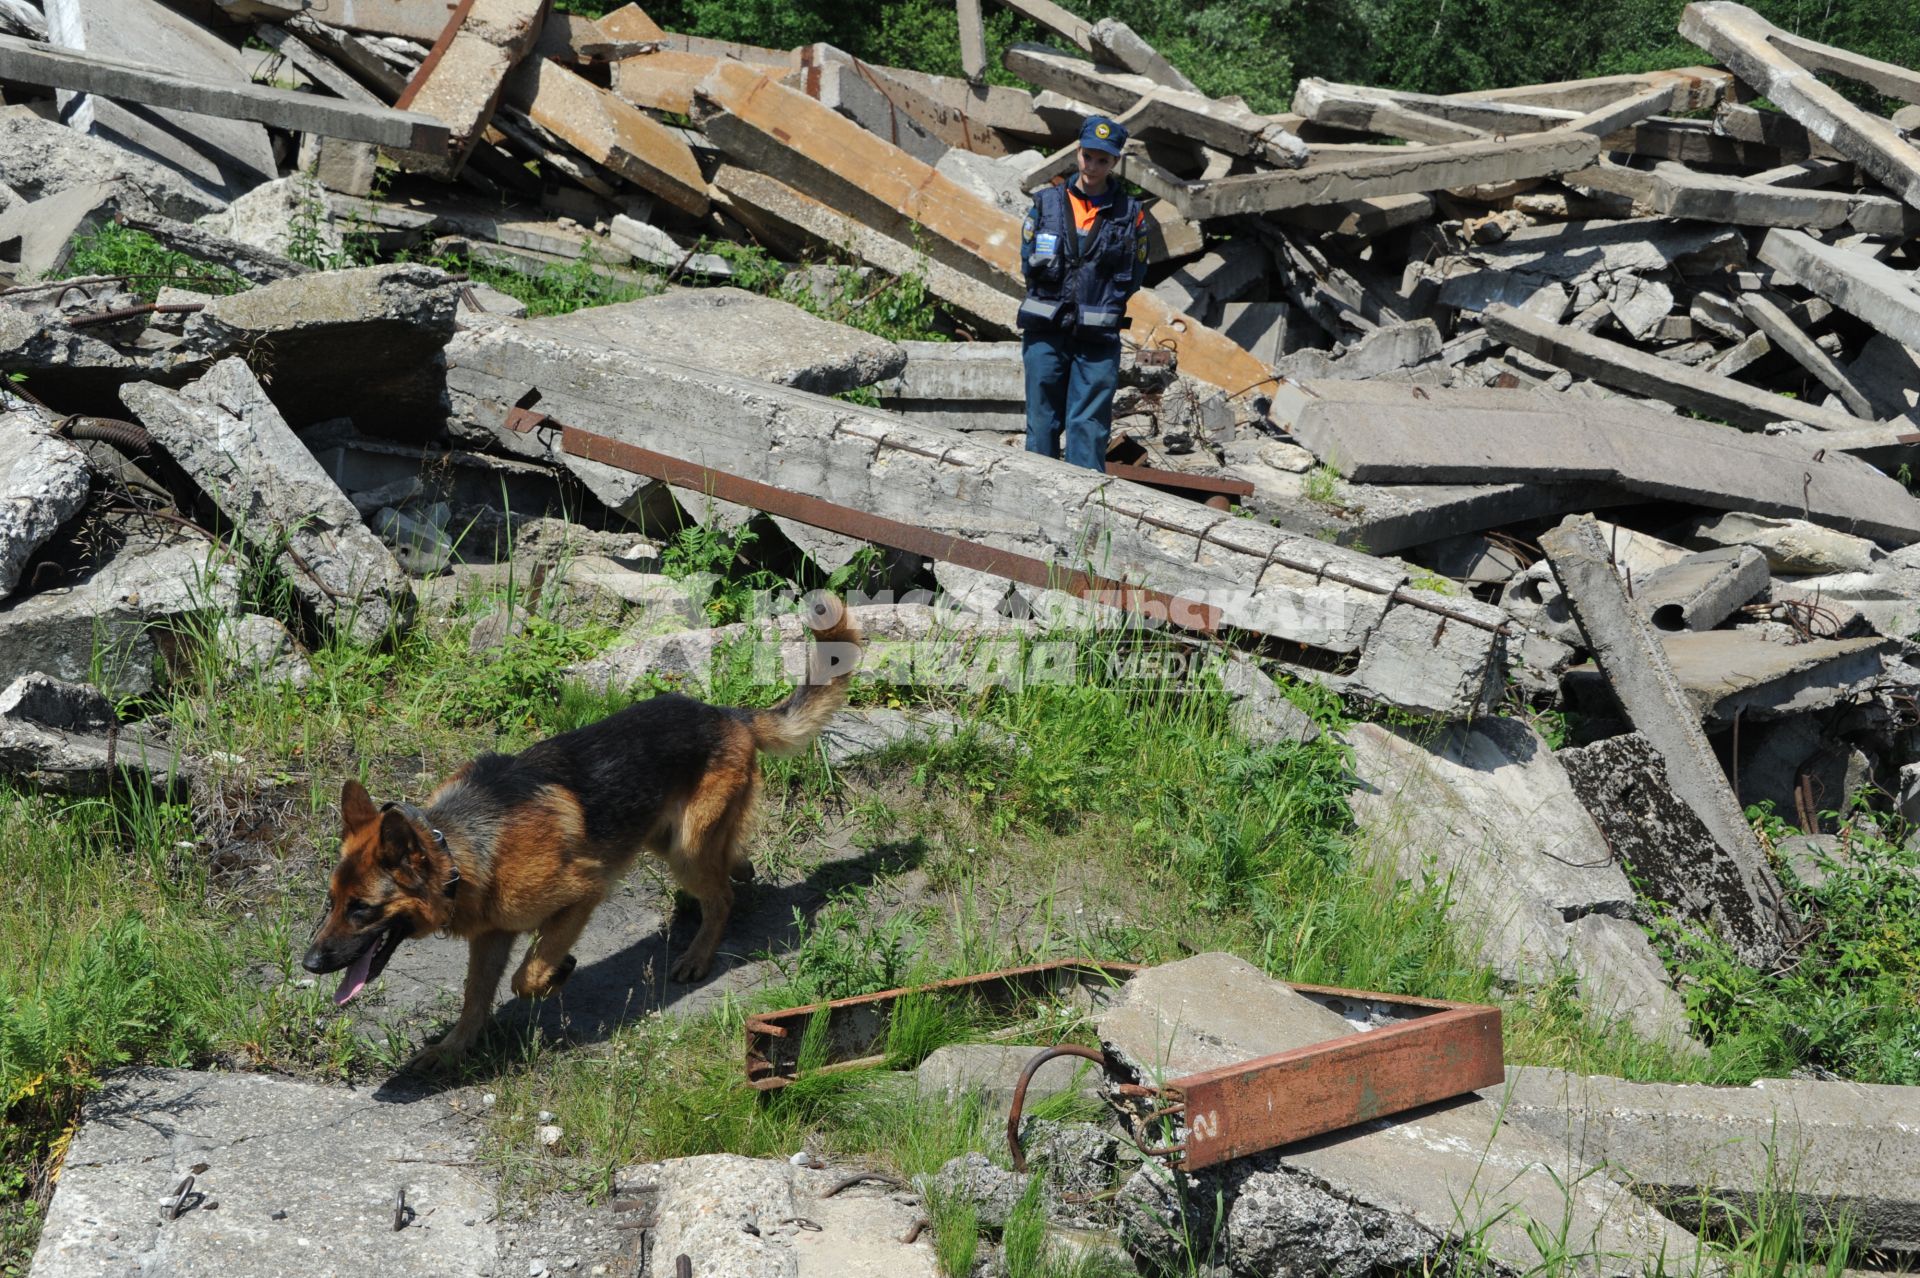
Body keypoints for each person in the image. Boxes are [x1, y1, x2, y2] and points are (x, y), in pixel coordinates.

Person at [1017, 114, 1149, 473]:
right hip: (1045, 332)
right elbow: (1028, 260)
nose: (1092, 166)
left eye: (1102, 160)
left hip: (1097, 338)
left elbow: (1135, 274)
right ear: (1078, 152)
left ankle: (1083, 513)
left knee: (1087, 427)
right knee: (1042, 424)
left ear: (1114, 163)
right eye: (1087, 156)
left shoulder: (1131, 215)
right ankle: (1034, 503)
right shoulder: (1045, 204)